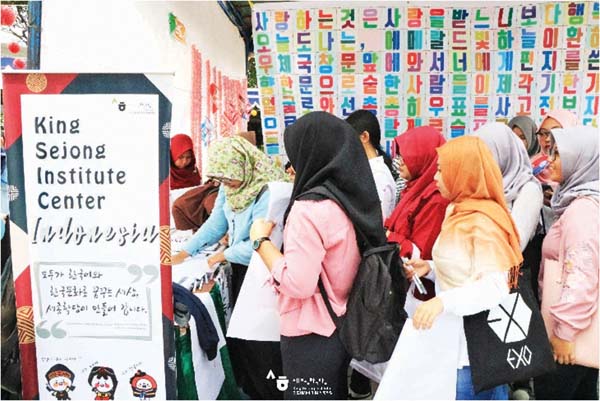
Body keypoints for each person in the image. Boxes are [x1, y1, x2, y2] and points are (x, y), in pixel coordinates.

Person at [250, 111, 387, 400]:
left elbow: (299, 284)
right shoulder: (347, 197)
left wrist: (261, 242)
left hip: (310, 332)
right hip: (341, 325)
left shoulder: (308, 210)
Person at [405, 136, 523, 400]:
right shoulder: (458, 210)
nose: (435, 177)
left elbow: (496, 285)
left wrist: (442, 302)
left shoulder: (483, 222)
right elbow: (464, 268)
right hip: (453, 342)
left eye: (442, 170)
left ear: (463, 173)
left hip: (473, 353)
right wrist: (430, 269)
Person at [171, 136, 287, 400]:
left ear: (242, 165)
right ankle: (250, 388)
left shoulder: (266, 189)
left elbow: (262, 241)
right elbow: (217, 223)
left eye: (229, 178)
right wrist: (185, 252)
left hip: (263, 270)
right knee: (242, 335)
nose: (227, 184)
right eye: (221, 179)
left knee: (261, 338)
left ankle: (269, 392)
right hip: (240, 268)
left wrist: (221, 256)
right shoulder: (230, 184)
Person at [534, 126, 599, 400]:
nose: (550, 161)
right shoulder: (580, 203)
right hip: (578, 332)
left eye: (559, 154)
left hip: (570, 338)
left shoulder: (582, 210)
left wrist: (565, 333)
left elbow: (582, 275)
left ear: (581, 160)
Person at [386, 126, 449, 306]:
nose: (400, 161)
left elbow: (422, 253)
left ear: (423, 157)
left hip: (424, 294)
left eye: (407, 156)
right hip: (407, 285)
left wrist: (389, 236)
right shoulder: (414, 188)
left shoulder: (436, 198)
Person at [472, 122, 543, 251]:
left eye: (486, 153)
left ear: (503, 153)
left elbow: (515, 243)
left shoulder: (527, 189)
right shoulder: (481, 184)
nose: (479, 160)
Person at [345, 110, 397, 220]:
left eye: (350, 139)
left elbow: (377, 220)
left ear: (364, 137)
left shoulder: (378, 176)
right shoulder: (367, 169)